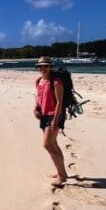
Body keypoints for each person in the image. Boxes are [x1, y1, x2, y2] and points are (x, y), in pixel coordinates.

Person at [33, 56, 69, 187]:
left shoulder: (56, 82)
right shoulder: (39, 81)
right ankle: (62, 172)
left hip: (55, 115)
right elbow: (39, 97)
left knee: (47, 145)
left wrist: (55, 119)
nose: (43, 68)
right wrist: (36, 108)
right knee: (53, 144)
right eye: (40, 66)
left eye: (46, 66)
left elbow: (59, 102)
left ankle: (61, 176)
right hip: (43, 116)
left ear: (50, 67)